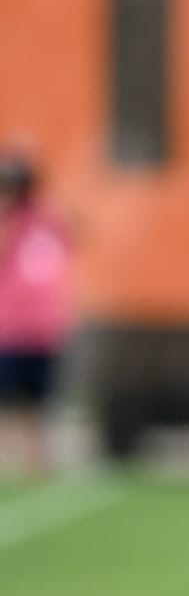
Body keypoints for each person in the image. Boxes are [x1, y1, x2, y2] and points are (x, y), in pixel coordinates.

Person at [0, 148, 74, 478]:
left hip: (42, 327)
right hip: (9, 326)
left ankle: (37, 461)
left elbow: (72, 233)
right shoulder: (7, 221)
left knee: (40, 401)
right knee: (8, 399)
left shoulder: (46, 219)